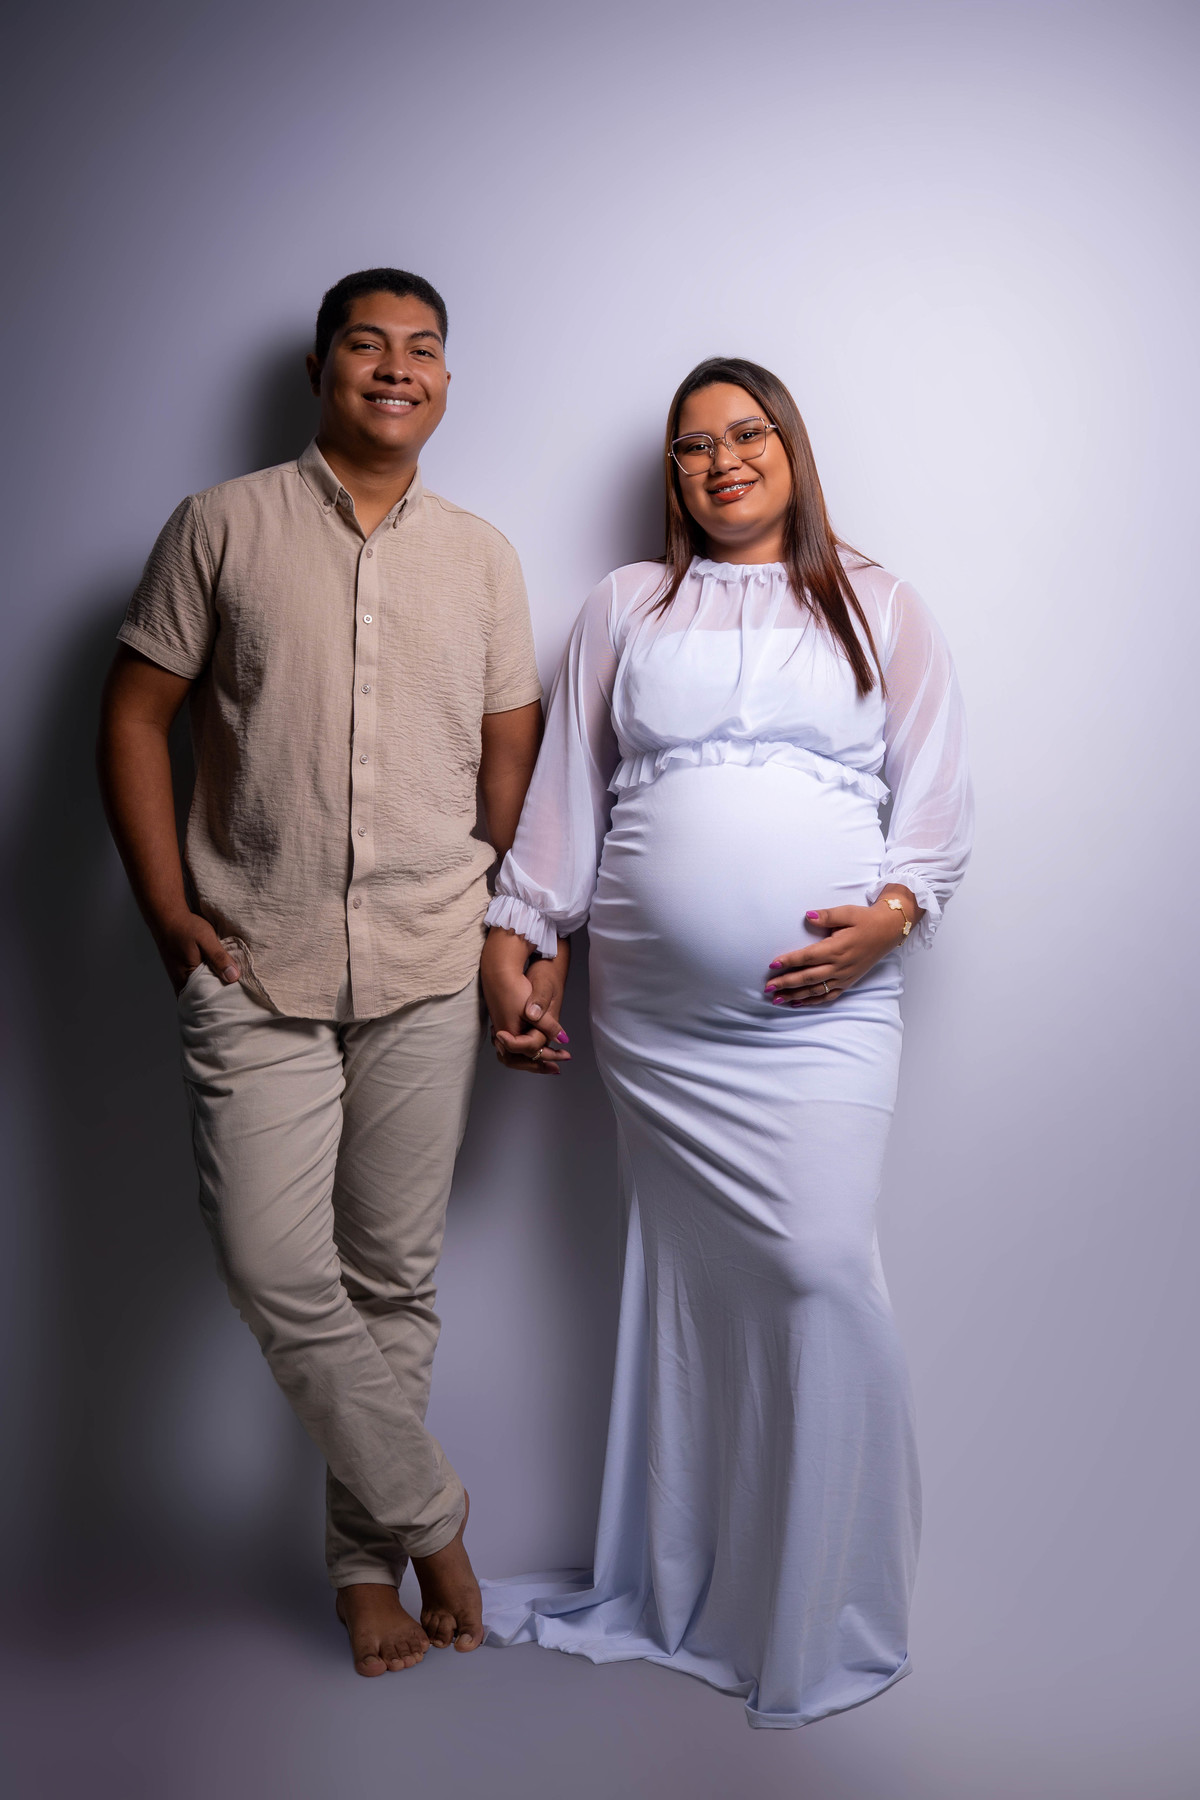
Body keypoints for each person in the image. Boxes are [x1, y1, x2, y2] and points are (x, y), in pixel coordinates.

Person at [479, 357, 973, 1727]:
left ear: (791, 449)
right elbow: (569, 800)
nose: (722, 462)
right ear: (674, 475)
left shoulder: (880, 602)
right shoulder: (627, 605)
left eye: (747, 434)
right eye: (692, 447)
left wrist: (888, 920)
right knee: (690, 1294)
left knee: (821, 1268)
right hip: (658, 1016)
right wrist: (522, 942)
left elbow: (936, 801)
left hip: (824, 1009)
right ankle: (707, 1585)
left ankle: (836, 1612)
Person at [97, 267, 564, 1677]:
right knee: (273, 1263)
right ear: (321, 369)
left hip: (428, 959)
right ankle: (436, 1523)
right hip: (254, 955)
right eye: (369, 343)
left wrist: (509, 933)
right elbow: (134, 716)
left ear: (446, 380)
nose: (397, 367)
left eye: (424, 348)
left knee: (392, 1278)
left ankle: (364, 1570)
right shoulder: (219, 525)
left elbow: (514, 759)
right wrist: (167, 914)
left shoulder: (482, 558)